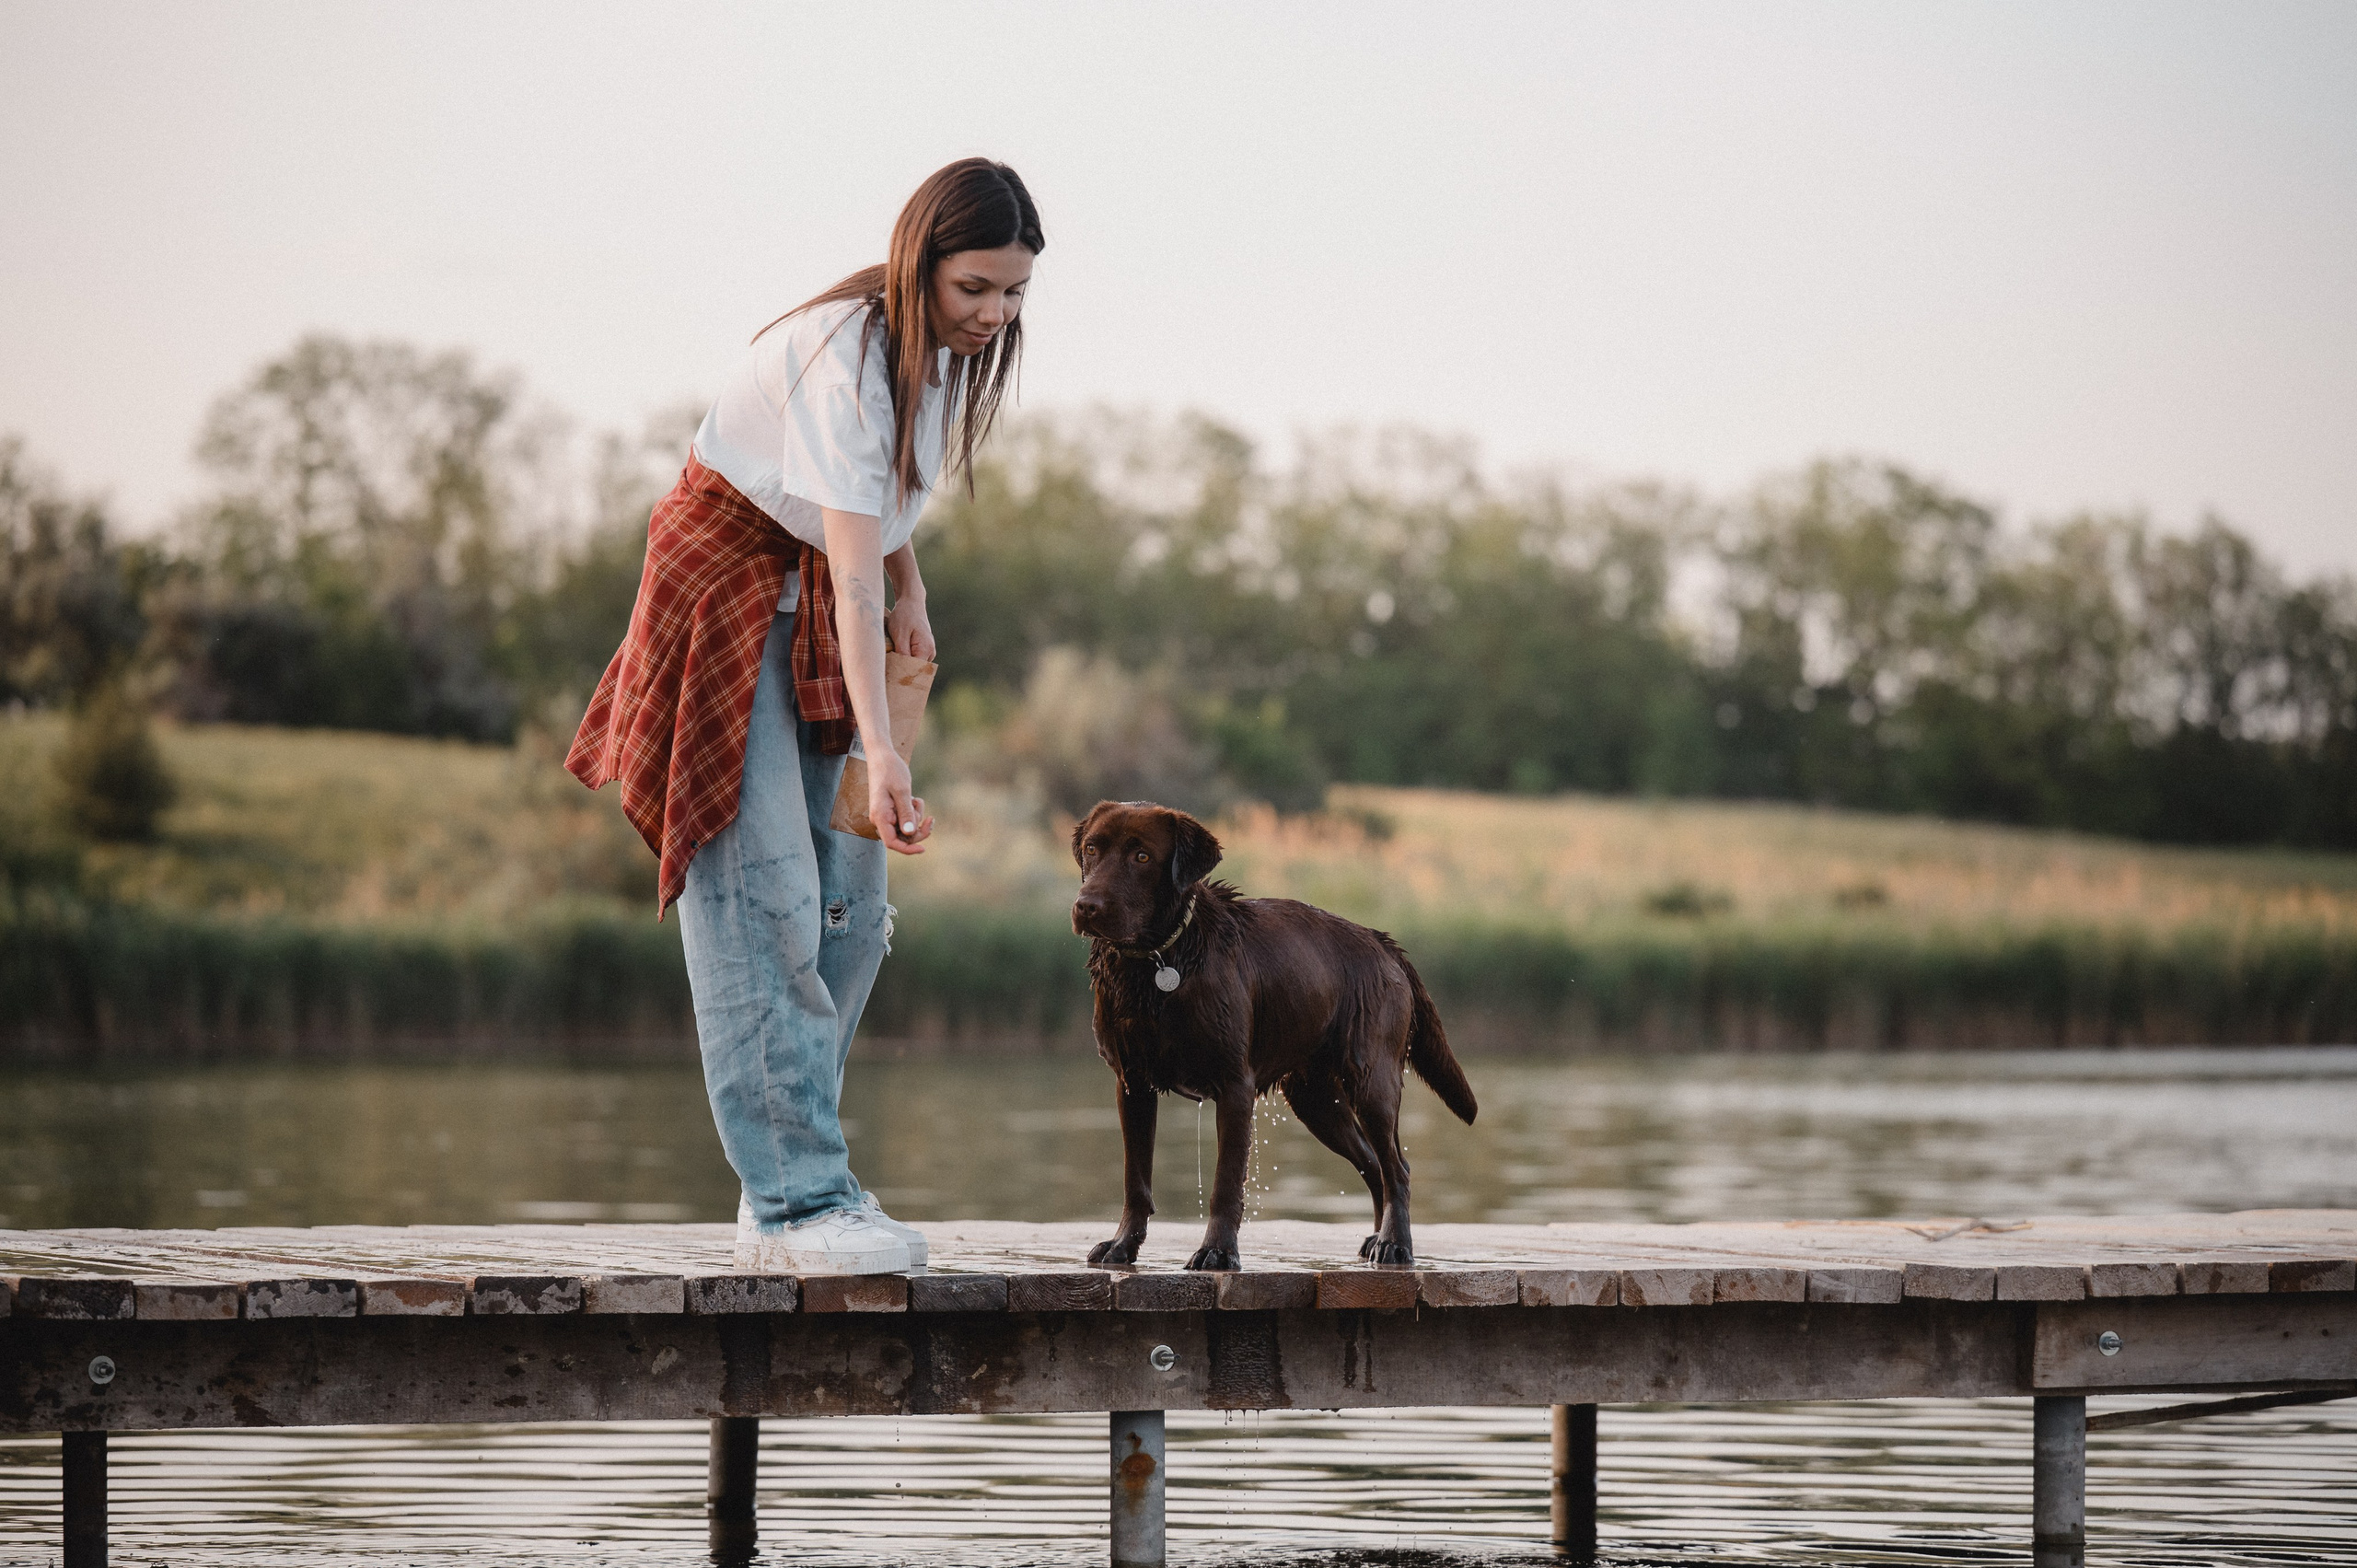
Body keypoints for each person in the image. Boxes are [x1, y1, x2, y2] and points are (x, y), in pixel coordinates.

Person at [566, 158, 1042, 1273]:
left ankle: (778, 1179)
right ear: (919, 262)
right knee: (763, 901)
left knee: (850, 911)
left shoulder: (932, 360)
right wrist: (884, 749)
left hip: (812, 603)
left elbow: (874, 522)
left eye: (1015, 292)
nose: (994, 313)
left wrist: (915, 585)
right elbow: (851, 572)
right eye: (975, 287)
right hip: (726, 604)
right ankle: (799, 1205)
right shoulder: (845, 357)